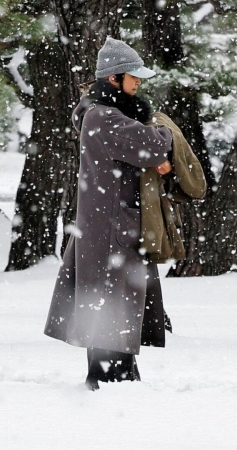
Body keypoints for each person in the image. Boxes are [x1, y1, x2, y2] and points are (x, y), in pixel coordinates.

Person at [44, 37, 174, 390]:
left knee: (112, 303)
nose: (139, 83)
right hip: (111, 228)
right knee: (110, 303)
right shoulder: (104, 117)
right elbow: (154, 145)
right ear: (114, 77)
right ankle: (111, 381)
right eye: (133, 76)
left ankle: (119, 376)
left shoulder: (103, 114)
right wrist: (163, 131)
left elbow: (145, 149)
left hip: (110, 224)